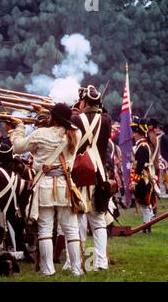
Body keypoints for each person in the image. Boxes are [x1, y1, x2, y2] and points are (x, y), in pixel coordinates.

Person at [8, 103, 84, 276]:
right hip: (66, 186)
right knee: (71, 230)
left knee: (45, 229)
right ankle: (76, 270)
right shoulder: (76, 134)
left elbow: (18, 147)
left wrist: (19, 127)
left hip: (44, 186)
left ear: (53, 118)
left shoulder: (41, 134)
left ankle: (48, 270)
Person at [68, 85, 112, 271]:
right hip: (100, 175)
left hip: (79, 174)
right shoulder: (107, 120)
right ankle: (100, 262)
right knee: (98, 221)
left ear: (84, 102)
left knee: (77, 220)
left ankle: (76, 262)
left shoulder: (75, 119)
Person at [130, 120, 156, 233]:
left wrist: (134, 181)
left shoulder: (142, 147)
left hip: (142, 178)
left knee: (145, 203)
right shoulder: (143, 145)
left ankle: (146, 226)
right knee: (145, 203)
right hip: (143, 177)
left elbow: (140, 166)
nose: (132, 135)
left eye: (134, 133)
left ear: (138, 133)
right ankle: (147, 225)